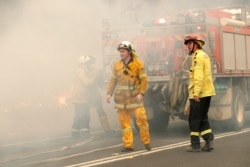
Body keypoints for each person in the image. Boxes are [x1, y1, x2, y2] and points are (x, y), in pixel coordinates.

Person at [106, 41, 151, 152]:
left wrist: (141, 93)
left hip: (135, 97)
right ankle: (128, 145)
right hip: (122, 99)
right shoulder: (117, 65)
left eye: (123, 51)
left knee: (141, 119)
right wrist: (109, 93)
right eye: (120, 51)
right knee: (124, 123)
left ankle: (146, 141)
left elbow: (144, 80)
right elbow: (113, 80)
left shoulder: (138, 64)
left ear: (129, 52)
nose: (121, 53)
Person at [184, 34, 216, 152]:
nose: (188, 46)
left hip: (199, 94)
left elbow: (198, 77)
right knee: (203, 118)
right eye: (187, 44)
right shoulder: (204, 55)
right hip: (206, 92)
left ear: (196, 44)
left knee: (194, 120)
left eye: (189, 44)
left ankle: (195, 145)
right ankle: (209, 140)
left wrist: (196, 93)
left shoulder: (197, 57)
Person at [70, 55, 111, 138]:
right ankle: (83, 131)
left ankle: (76, 132)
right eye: (88, 64)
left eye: (90, 63)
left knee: (96, 111)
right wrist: (95, 77)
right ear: (82, 64)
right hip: (83, 96)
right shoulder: (81, 72)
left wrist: (103, 79)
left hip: (91, 95)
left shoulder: (92, 71)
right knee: (84, 114)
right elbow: (87, 83)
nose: (90, 65)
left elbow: (101, 85)